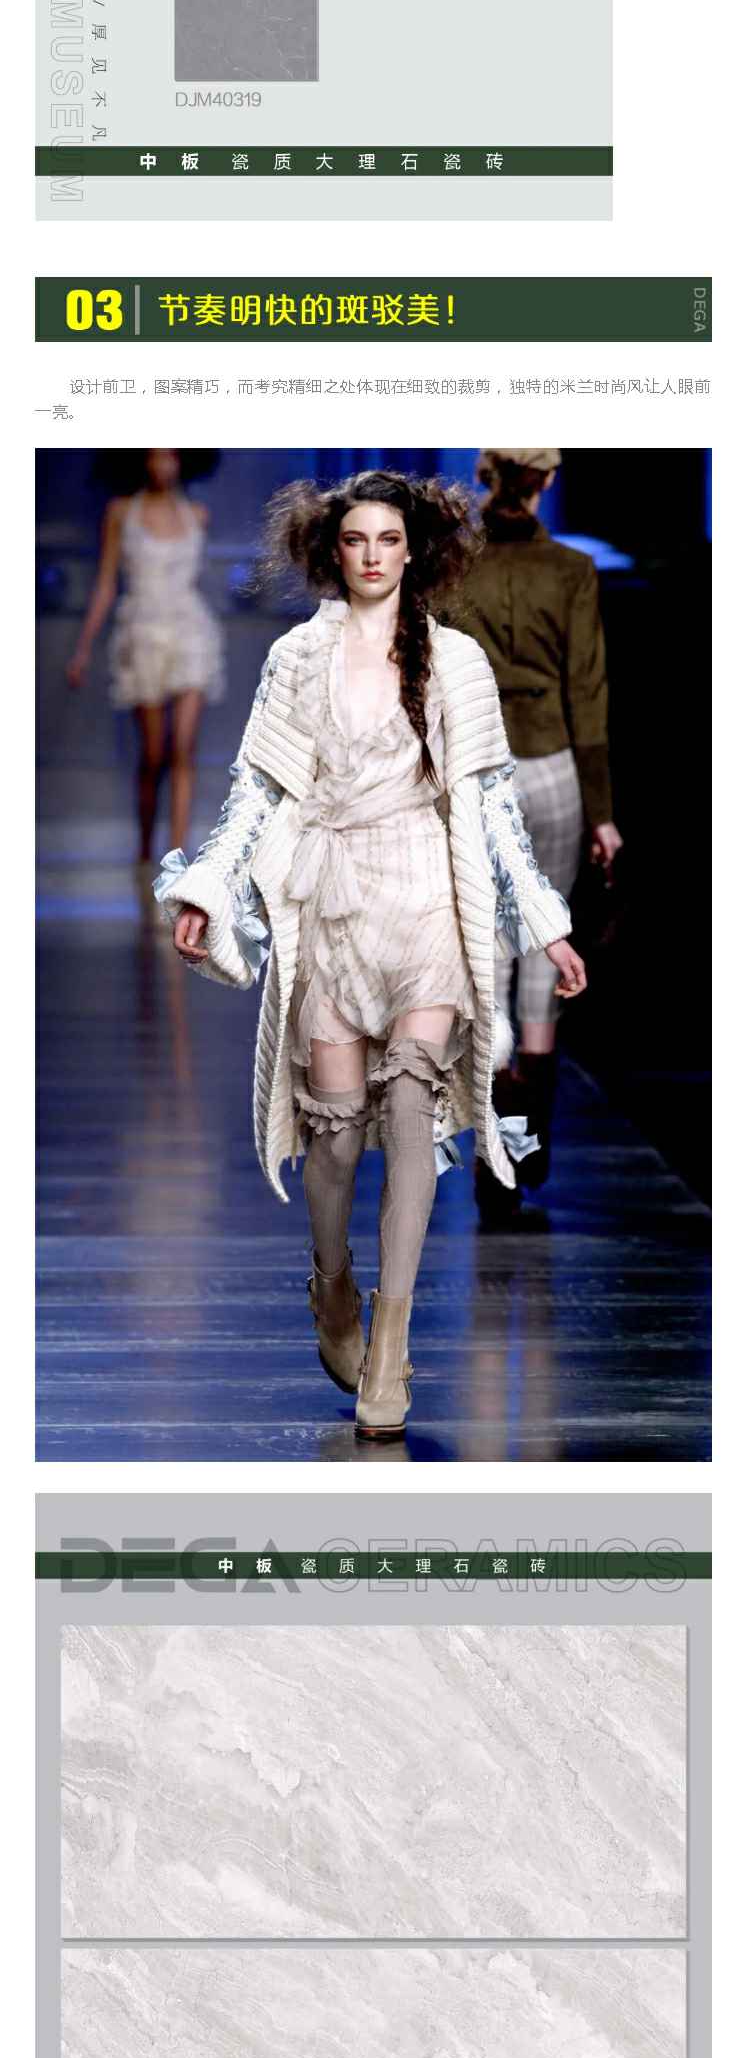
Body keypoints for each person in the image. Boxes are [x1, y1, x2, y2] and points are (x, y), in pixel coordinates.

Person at [155, 466, 586, 1441]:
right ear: (331, 549)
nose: (373, 555)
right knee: (338, 1134)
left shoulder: (458, 661)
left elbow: (493, 807)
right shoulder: (297, 658)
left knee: (412, 1104)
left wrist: (543, 923)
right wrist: (208, 888)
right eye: (356, 540)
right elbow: (258, 790)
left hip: (426, 896)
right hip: (333, 898)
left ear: (416, 548)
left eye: (390, 539)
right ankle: (334, 1282)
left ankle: (390, 1344)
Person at [439, 451, 621, 1202]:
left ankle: (495, 1156)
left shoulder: (453, 565)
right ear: (546, 480)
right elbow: (588, 691)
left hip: (477, 768)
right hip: (551, 768)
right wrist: (602, 812)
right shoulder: (572, 570)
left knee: (488, 952)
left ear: (486, 477)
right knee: (546, 946)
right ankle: (529, 1146)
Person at [66, 448, 224, 874]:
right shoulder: (121, 513)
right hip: (141, 634)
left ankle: (176, 860)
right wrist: (83, 648)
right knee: (153, 754)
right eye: (155, 457)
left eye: (170, 457)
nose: (162, 466)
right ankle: (143, 849)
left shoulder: (198, 515)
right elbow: (105, 583)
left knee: (183, 748)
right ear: (140, 460)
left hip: (189, 631)